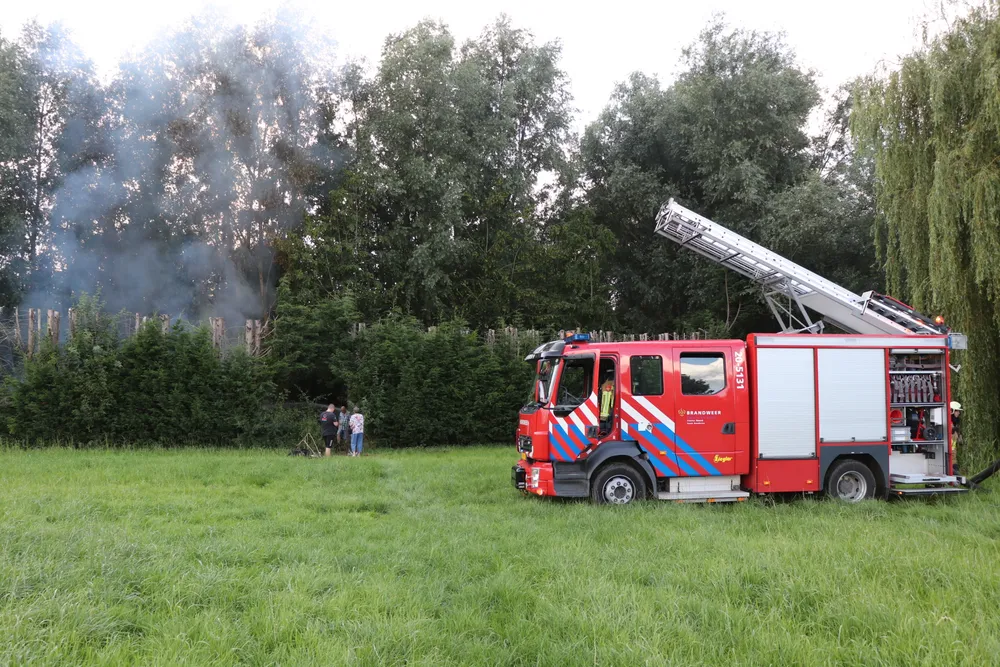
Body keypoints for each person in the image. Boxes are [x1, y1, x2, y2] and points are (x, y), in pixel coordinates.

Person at [950, 401, 963, 472]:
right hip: (950, 453)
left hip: (953, 452)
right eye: (957, 411)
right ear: (952, 411)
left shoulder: (955, 424)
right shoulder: (949, 423)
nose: (959, 413)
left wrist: (959, 436)